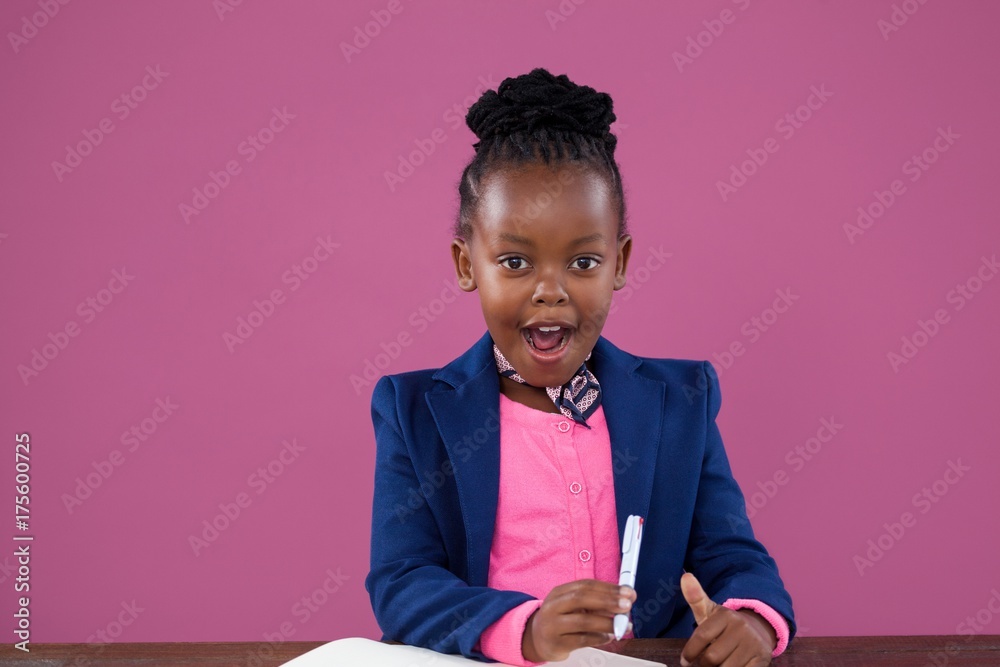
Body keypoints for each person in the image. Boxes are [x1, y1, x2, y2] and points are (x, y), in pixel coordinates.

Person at [365, 67, 795, 666]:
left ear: (619, 262)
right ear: (468, 265)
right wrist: (526, 630)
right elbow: (402, 582)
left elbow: (734, 557)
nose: (550, 290)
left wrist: (748, 618)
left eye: (584, 261)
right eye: (514, 262)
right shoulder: (415, 412)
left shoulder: (682, 401)